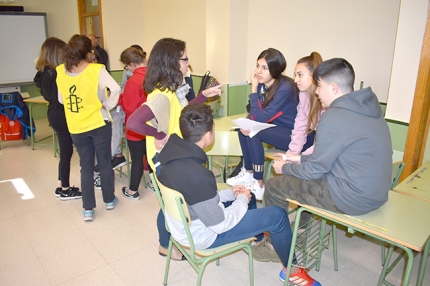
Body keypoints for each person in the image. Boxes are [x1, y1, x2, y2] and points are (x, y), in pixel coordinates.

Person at [158, 104, 321, 285]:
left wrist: (231, 194)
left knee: (245, 193)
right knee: (278, 215)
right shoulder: (199, 175)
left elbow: (196, 196)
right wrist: (242, 199)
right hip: (204, 234)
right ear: (208, 136)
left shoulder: (169, 157)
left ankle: (258, 240)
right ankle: (292, 270)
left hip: (186, 225)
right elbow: (220, 224)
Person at [259, 58, 392, 261]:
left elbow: (314, 171)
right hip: (376, 193)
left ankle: (275, 247)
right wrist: (299, 158)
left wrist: (284, 167)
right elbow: (333, 157)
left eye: (319, 86)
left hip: (350, 198)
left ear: (333, 87)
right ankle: (300, 230)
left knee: (274, 185)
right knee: (305, 181)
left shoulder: (334, 117)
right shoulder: (369, 111)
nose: (317, 92)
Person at [126, 37, 222, 260]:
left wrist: (201, 97)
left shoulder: (170, 90)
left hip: (172, 155)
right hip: (165, 159)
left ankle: (166, 243)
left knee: (172, 201)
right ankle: (164, 244)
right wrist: (159, 133)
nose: (189, 63)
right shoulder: (161, 95)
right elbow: (133, 123)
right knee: (171, 203)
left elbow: (179, 114)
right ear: (172, 62)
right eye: (185, 58)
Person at [56, 34, 121, 221]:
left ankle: (88, 209)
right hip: (98, 123)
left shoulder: (61, 70)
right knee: (103, 162)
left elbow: (61, 99)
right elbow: (116, 89)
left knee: (85, 166)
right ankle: (109, 200)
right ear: (88, 53)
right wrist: (108, 105)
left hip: (76, 125)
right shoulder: (96, 70)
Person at [226, 48, 301, 200]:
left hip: (294, 134)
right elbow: (255, 115)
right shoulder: (263, 84)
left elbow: (260, 117)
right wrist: (247, 122)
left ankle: (258, 182)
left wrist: (253, 90)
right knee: (245, 127)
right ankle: (248, 172)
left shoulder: (285, 89)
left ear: (275, 70)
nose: (258, 71)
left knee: (254, 130)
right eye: (257, 66)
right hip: (276, 128)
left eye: (264, 68)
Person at [34, 37, 81, 200]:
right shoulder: (54, 74)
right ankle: (66, 189)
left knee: (65, 152)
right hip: (61, 114)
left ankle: (62, 186)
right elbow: (62, 98)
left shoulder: (43, 73)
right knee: (67, 152)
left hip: (54, 113)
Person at [118, 46, 151, 200]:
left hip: (136, 127)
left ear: (131, 64)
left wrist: (119, 99)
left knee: (137, 159)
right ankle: (154, 184)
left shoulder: (134, 80)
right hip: (151, 124)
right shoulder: (153, 75)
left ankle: (132, 191)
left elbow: (129, 107)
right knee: (150, 156)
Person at [287, 52, 324, 156]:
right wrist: (291, 154)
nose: (295, 80)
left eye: (300, 75)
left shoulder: (326, 100)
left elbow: (327, 143)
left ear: (314, 76)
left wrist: (301, 158)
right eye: (295, 75)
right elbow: (300, 127)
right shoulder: (303, 95)